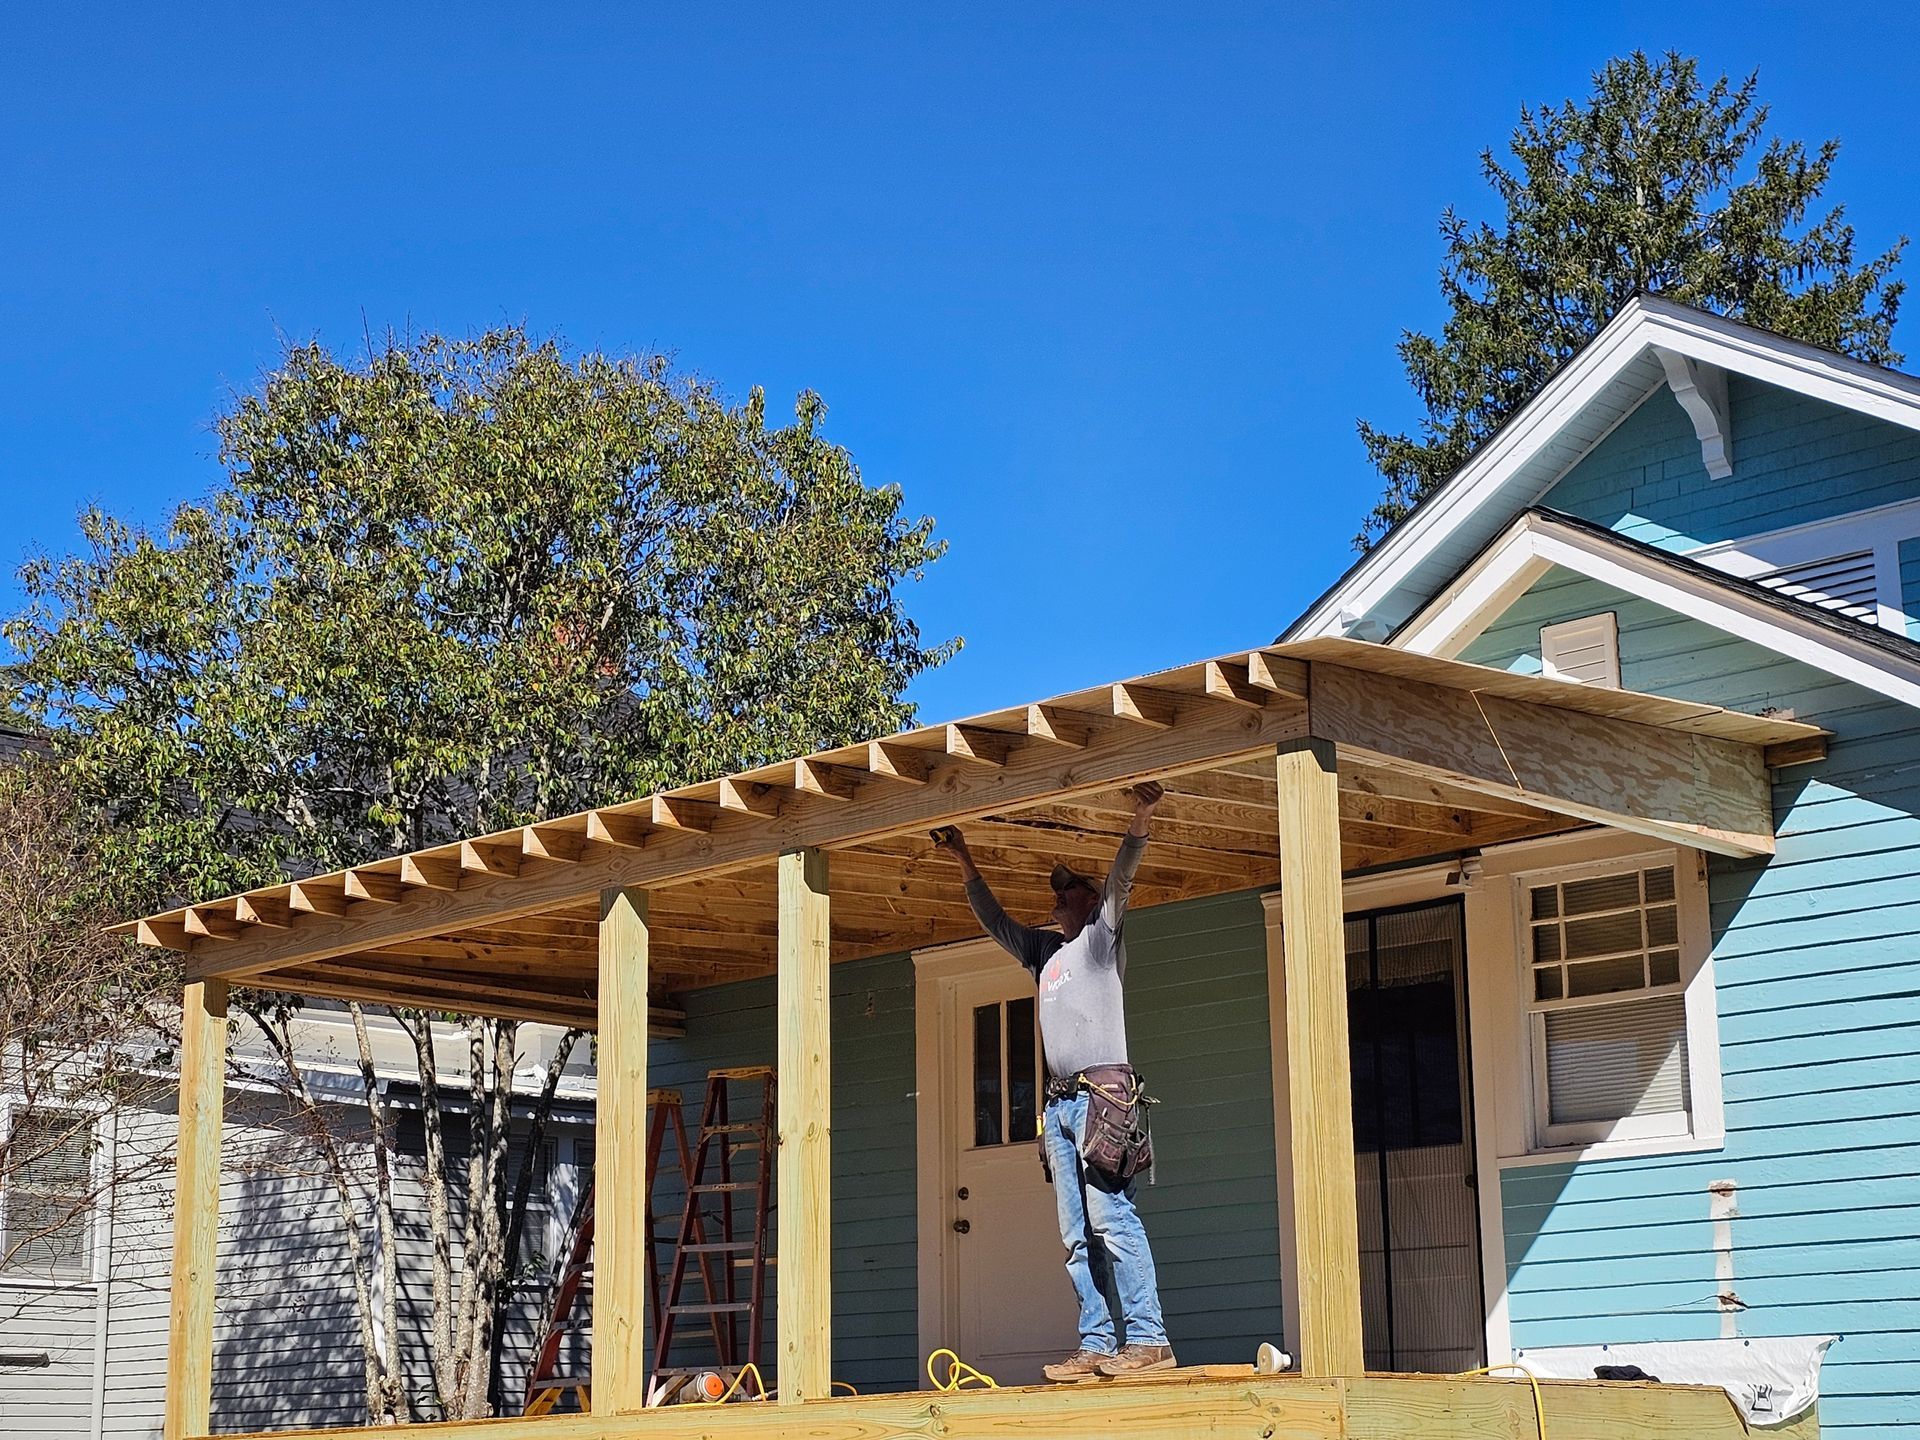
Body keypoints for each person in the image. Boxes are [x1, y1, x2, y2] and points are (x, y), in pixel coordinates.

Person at [932, 781, 1176, 1381]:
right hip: (1062, 1106)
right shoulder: (1045, 953)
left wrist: (1140, 818)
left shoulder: (1100, 939)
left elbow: (1121, 880)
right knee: (1075, 1235)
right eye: (1057, 890)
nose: (1058, 896)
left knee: (1113, 1220)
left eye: (1069, 889)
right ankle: (1096, 1343)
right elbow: (994, 920)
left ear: (1089, 901)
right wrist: (964, 856)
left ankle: (1149, 1340)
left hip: (1102, 1098)